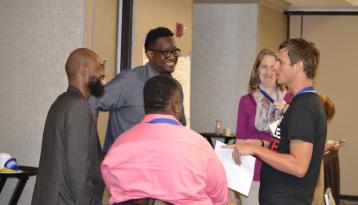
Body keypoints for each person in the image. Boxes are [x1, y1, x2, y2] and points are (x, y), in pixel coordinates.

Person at [224, 38, 327, 205]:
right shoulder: (299, 103)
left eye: (280, 62)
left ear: (298, 65)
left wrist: (256, 150)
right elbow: (282, 146)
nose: (275, 69)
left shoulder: (303, 108)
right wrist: (262, 145)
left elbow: (298, 166)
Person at [101, 75, 228, 205]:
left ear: (145, 106)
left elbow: (111, 185)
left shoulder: (120, 144)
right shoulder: (199, 145)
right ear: (176, 105)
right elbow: (219, 196)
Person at [88, 27, 186, 153]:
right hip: (123, 166)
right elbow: (92, 102)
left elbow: (180, 125)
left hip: (159, 164)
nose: (172, 57)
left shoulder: (176, 87)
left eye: (175, 52)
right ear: (150, 54)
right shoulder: (129, 80)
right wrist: (93, 150)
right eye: (166, 52)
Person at [32, 48, 105, 205]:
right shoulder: (78, 107)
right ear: (83, 70)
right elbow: (78, 168)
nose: (102, 74)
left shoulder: (60, 103)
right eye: (98, 67)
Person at [235, 49, 291, 205]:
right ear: (257, 70)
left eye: (273, 67)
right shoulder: (246, 101)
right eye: (264, 67)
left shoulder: (290, 100)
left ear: (279, 70)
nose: (269, 72)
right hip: (253, 176)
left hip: (282, 174)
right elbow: (240, 142)